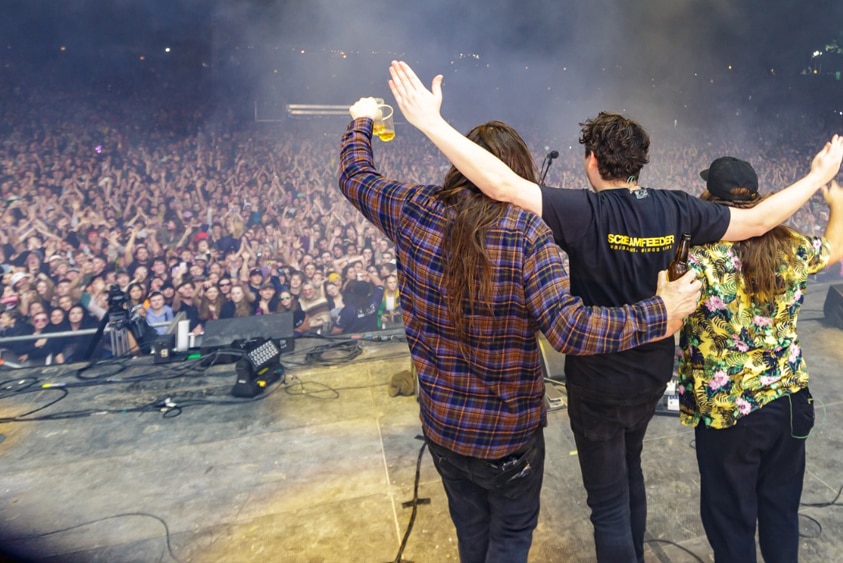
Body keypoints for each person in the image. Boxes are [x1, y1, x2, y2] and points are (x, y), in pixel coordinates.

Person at [386, 59, 843, 562]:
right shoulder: (675, 207)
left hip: (597, 382)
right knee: (633, 471)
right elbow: (759, 221)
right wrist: (816, 176)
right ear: (639, 163)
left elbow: (502, 187)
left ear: (590, 160)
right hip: (651, 376)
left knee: (608, 504)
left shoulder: (582, 210)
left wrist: (431, 123)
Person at [339, 96, 701, 563]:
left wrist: (362, 120)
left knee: (471, 536)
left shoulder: (413, 209)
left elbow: (354, 177)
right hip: (507, 436)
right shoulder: (528, 234)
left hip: (444, 426)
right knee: (509, 542)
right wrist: (658, 311)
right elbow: (569, 330)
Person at [677, 160, 843, 562]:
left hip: (728, 414)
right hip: (788, 403)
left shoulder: (698, 256)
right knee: (781, 514)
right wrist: (837, 202)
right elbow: (835, 249)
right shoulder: (788, 244)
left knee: (731, 524)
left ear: (708, 200)